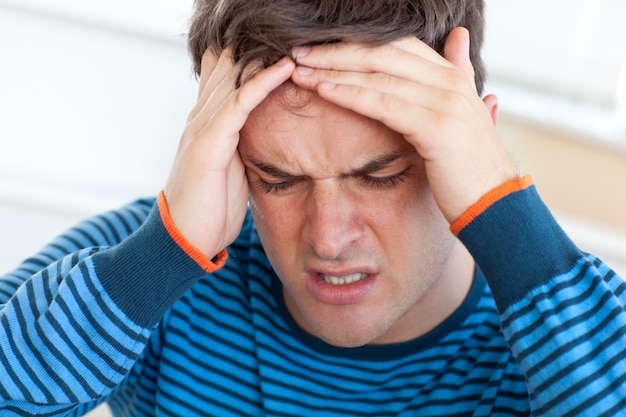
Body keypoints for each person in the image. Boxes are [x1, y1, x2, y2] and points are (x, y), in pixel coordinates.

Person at [1, 0, 625, 415]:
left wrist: (505, 216)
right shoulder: (159, 264)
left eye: (380, 176)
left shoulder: (557, 330)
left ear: (470, 149)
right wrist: (162, 255)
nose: (328, 238)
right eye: (277, 179)